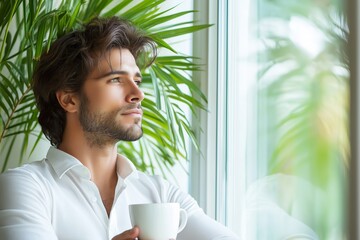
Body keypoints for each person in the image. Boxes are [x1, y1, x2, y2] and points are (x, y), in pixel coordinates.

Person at [0, 17, 239, 240]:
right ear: (69, 100)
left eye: (136, 80)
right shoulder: (26, 187)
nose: (138, 94)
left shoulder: (161, 193)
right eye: (116, 80)